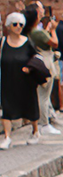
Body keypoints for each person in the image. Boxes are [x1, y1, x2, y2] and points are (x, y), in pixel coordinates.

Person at [0, 12, 41, 148]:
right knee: (7, 109)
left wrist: (30, 69)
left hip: (25, 82)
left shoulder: (27, 42)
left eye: (21, 24)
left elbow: (36, 59)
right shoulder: (3, 43)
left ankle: (35, 131)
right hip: (8, 82)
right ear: (8, 26)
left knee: (30, 107)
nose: (18, 27)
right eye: (15, 24)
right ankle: (7, 137)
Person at [26, 2, 61, 135]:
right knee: (44, 95)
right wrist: (52, 30)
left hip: (38, 61)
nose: (42, 13)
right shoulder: (37, 33)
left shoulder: (32, 31)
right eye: (39, 11)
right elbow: (55, 43)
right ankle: (44, 123)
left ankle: (44, 121)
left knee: (42, 94)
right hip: (45, 62)